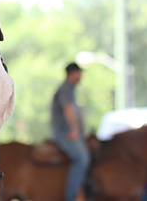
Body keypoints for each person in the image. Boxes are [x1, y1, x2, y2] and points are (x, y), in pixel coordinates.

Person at [51, 62, 90, 201]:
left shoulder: (70, 89)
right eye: (79, 73)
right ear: (73, 73)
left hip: (68, 130)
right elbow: (68, 109)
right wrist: (74, 129)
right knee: (82, 158)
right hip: (64, 131)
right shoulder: (65, 89)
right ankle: (72, 197)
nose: (81, 76)